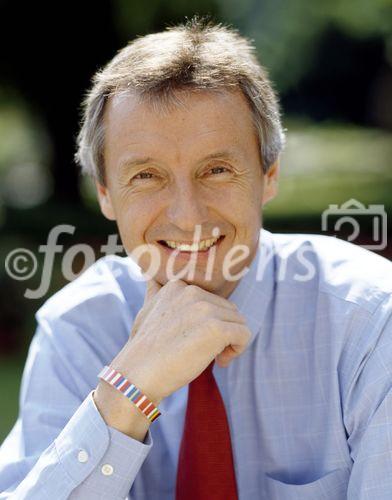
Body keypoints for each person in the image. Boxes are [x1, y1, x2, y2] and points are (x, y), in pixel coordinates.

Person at [1, 18, 391, 500]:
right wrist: (127, 392)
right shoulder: (77, 329)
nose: (188, 216)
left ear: (269, 174)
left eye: (217, 169)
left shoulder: (373, 322)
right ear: (105, 193)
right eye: (146, 176)